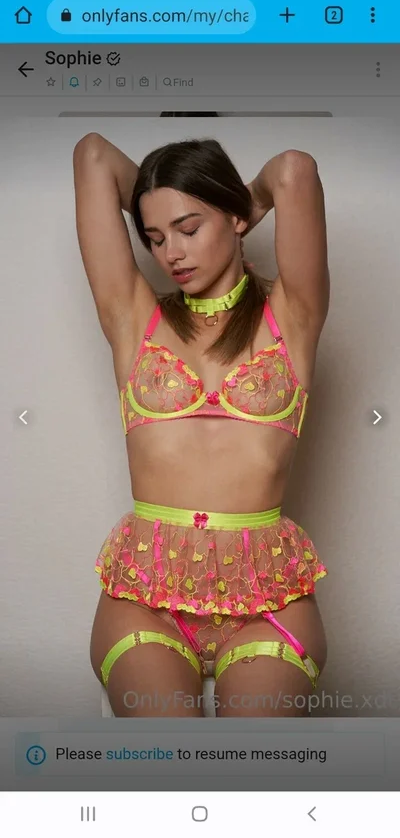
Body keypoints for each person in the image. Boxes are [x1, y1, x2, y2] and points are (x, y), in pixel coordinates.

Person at [73, 133, 329, 718]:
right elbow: (93, 155)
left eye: (189, 228)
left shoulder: (292, 317)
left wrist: (243, 198)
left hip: (269, 598)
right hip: (145, 596)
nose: (171, 253)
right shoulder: (133, 316)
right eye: (155, 237)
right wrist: (166, 192)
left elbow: (294, 170)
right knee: (169, 757)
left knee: (255, 764)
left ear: (236, 218)